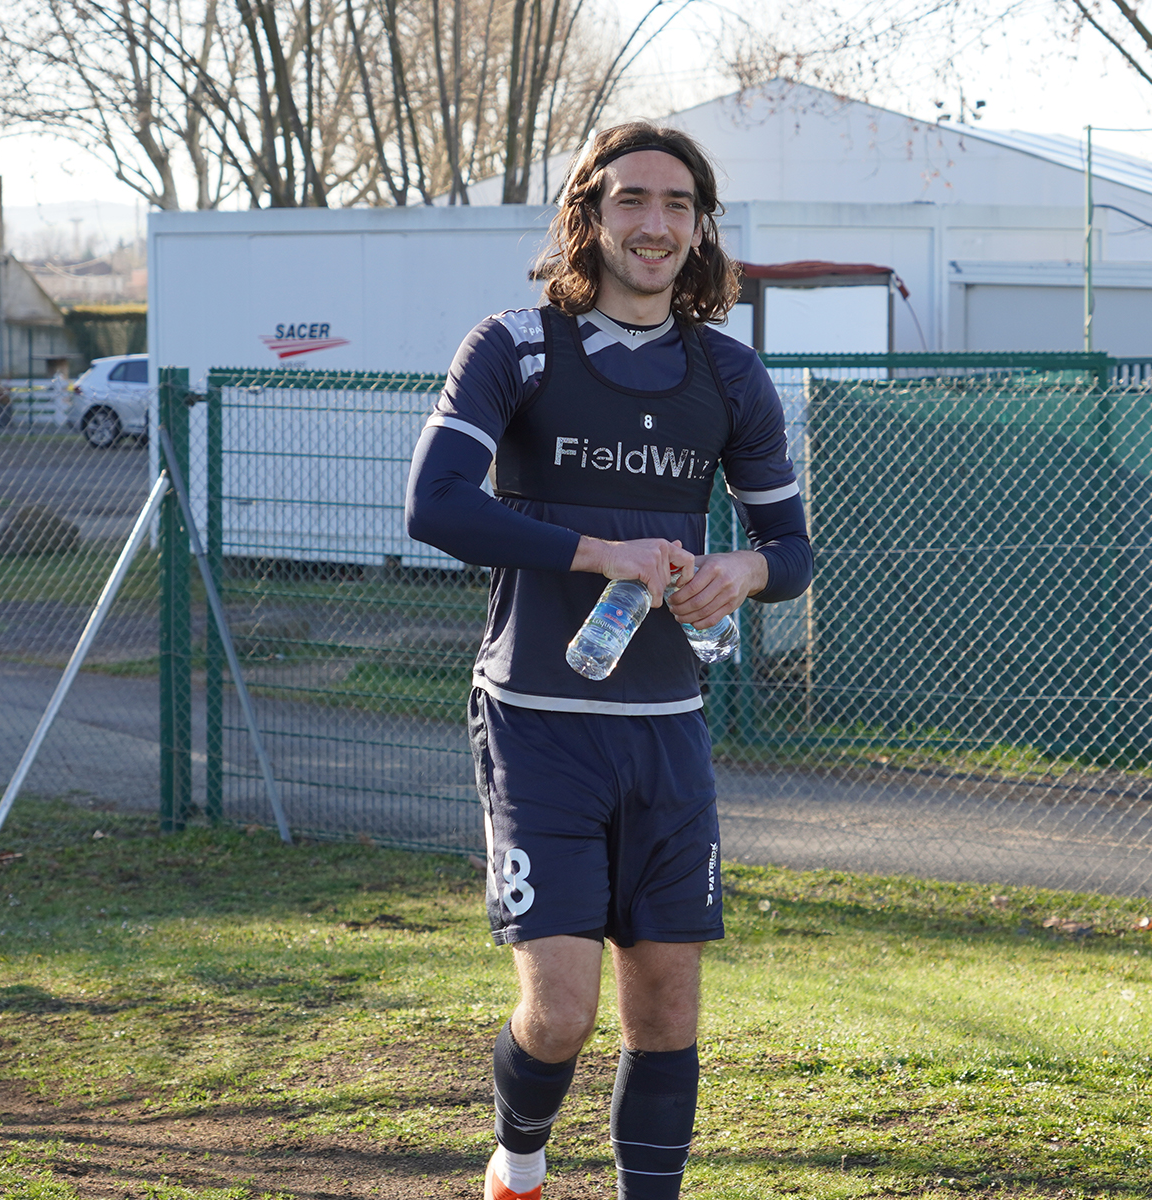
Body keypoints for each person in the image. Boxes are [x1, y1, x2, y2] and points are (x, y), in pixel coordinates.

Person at [404, 120, 813, 1200]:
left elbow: (790, 550)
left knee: (667, 1006)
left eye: (678, 205)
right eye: (632, 199)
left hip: (667, 732)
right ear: (589, 214)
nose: (655, 223)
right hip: (537, 723)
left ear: (700, 229)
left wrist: (741, 572)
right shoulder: (516, 347)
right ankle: (518, 1160)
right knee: (561, 1014)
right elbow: (434, 506)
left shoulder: (728, 373)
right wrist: (601, 553)